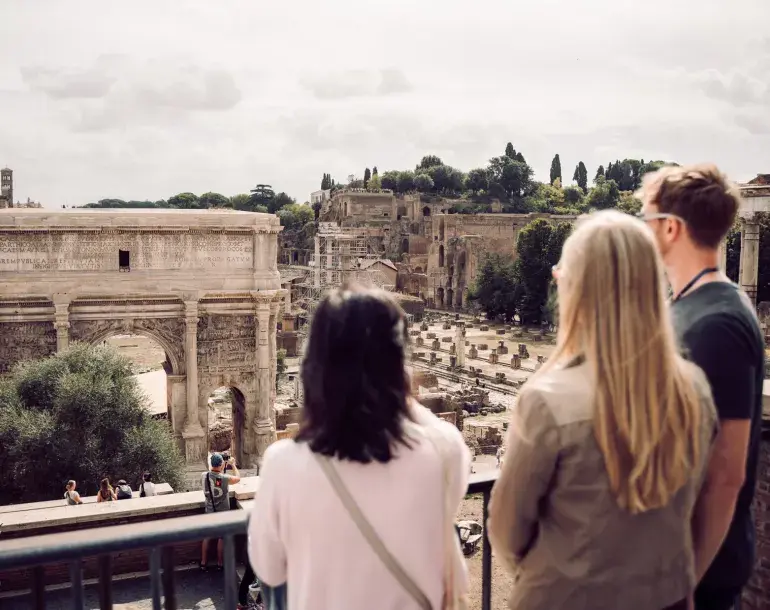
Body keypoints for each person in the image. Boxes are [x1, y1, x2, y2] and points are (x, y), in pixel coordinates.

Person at [488, 210, 718, 610]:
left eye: (562, 272)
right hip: (666, 598)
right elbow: (696, 508)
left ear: (576, 287)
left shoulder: (548, 400)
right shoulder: (695, 388)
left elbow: (507, 532)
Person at [248, 286, 470, 610]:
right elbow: (441, 436)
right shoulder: (443, 451)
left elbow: (268, 568)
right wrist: (396, 393)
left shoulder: (281, 464)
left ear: (314, 368)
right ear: (399, 365)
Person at [638, 164, 765, 610]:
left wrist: (685, 582)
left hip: (696, 576)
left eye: (646, 220)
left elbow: (725, 475)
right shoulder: (690, 306)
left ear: (671, 228)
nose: (643, 231)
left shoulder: (718, 324)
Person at [201, 452, 241, 571]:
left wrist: (221, 466)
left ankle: (203, 562)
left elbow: (214, 475)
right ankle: (220, 563)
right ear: (221, 464)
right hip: (222, 514)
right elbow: (237, 478)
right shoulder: (224, 478)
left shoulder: (204, 475)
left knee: (206, 537)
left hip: (209, 511)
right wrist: (233, 465)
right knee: (221, 538)